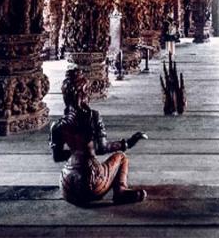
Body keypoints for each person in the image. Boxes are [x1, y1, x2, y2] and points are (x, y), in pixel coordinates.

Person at [50, 68, 148, 206]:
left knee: (77, 169)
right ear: (84, 93)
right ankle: (120, 191)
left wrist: (76, 153)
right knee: (121, 157)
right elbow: (102, 148)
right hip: (92, 185)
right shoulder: (92, 117)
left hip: (68, 188)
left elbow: (57, 156)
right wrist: (127, 143)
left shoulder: (57, 126)